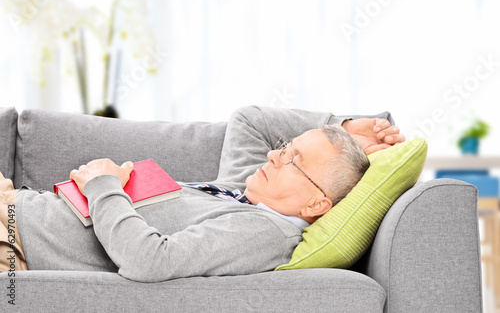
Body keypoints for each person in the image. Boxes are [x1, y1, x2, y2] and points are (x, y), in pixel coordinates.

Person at [0, 106, 404, 282]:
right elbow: (251, 119)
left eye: (291, 158)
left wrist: (103, 186)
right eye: (284, 145)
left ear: (317, 204)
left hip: (16, 239)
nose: (272, 155)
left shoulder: (263, 232)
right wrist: (345, 127)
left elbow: (150, 261)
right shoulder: (247, 192)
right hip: (17, 204)